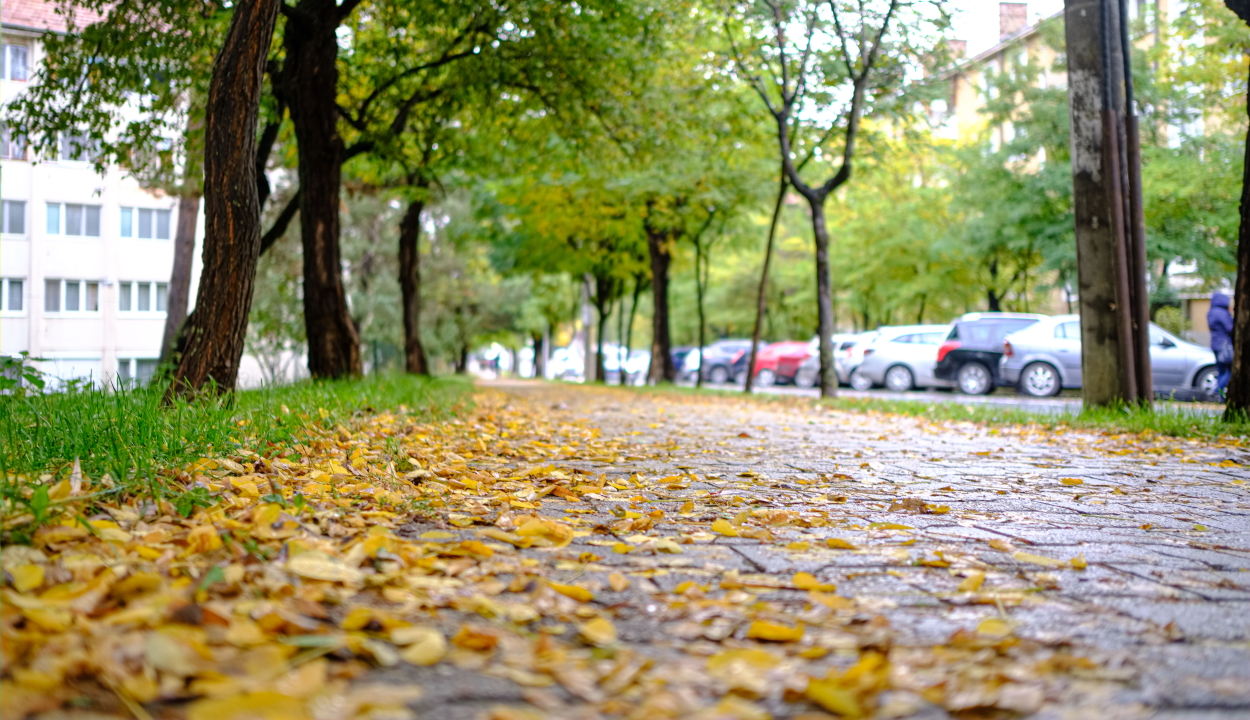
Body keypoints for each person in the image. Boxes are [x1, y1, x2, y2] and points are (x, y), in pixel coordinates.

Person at [1208, 292, 1234, 398]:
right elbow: (1230, 328)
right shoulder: (1222, 313)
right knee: (1230, 371)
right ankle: (1217, 391)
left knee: (1221, 371)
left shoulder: (1211, 312)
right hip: (1225, 346)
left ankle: (1220, 395)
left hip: (1215, 344)